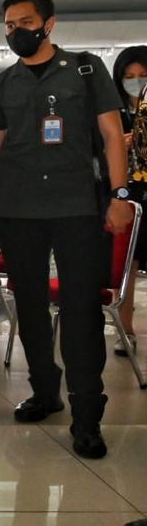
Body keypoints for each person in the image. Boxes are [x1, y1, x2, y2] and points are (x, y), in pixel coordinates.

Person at [0, 0, 132, 459]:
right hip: (18, 211)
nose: (15, 32)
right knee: (31, 308)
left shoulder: (85, 70)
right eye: (8, 25)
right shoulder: (3, 85)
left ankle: (87, 417)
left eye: (24, 22)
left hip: (77, 209)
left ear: (49, 24)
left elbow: (110, 136)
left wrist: (120, 195)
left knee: (82, 314)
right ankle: (46, 392)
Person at [113, 45, 147, 357]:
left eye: (142, 76)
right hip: (129, 195)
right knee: (128, 263)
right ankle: (125, 327)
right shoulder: (115, 114)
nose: (135, 82)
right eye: (129, 77)